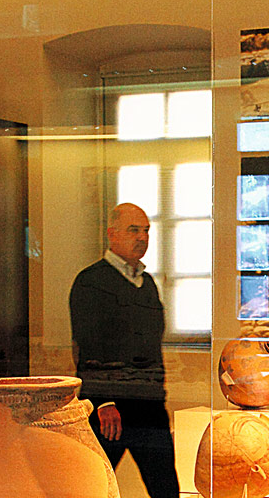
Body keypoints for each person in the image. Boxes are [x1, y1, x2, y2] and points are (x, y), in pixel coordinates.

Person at [69, 203, 179, 497]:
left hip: (149, 407)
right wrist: (103, 402)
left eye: (146, 230)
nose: (142, 237)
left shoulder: (148, 283)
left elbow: (151, 345)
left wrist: (157, 396)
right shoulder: (91, 282)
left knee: (166, 489)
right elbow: (86, 344)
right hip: (110, 410)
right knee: (93, 488)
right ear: (112, 234)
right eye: (133, 230)